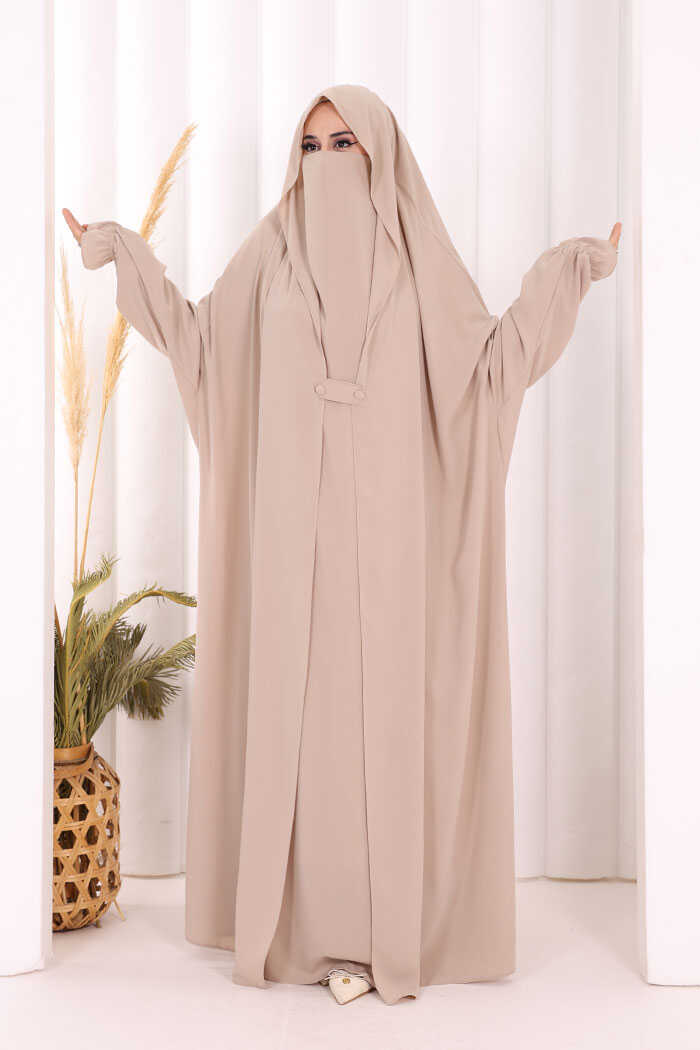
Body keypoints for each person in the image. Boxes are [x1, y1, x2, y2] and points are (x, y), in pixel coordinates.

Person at [64, 84, 621, 1007]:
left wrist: (569, 271)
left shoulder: (417, 259)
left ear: (383, 156)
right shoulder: (273, 251)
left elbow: (490, 368)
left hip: (397, 541)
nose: (325, 163)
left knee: (387, 726)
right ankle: (303, 929)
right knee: (304, 725)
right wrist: (122, 252)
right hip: (291, 544)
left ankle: (389, 929)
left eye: (345, 144)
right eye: (311, 148)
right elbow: (201, 344)